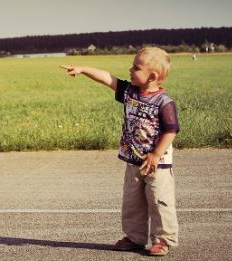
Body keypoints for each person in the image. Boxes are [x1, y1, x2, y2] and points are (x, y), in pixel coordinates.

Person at [60, 47, 180, 256]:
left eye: (136, 67)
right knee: (132, 202)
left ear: (152, 76)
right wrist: (82, 69)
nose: (130, 69)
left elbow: (171, 131)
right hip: (134, 161)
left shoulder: (164, 102)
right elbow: (107, 78)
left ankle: (163, 240)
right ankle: (135, 238)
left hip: (157, 164)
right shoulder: (129, 92)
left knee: (160, 201)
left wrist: (156, 154)